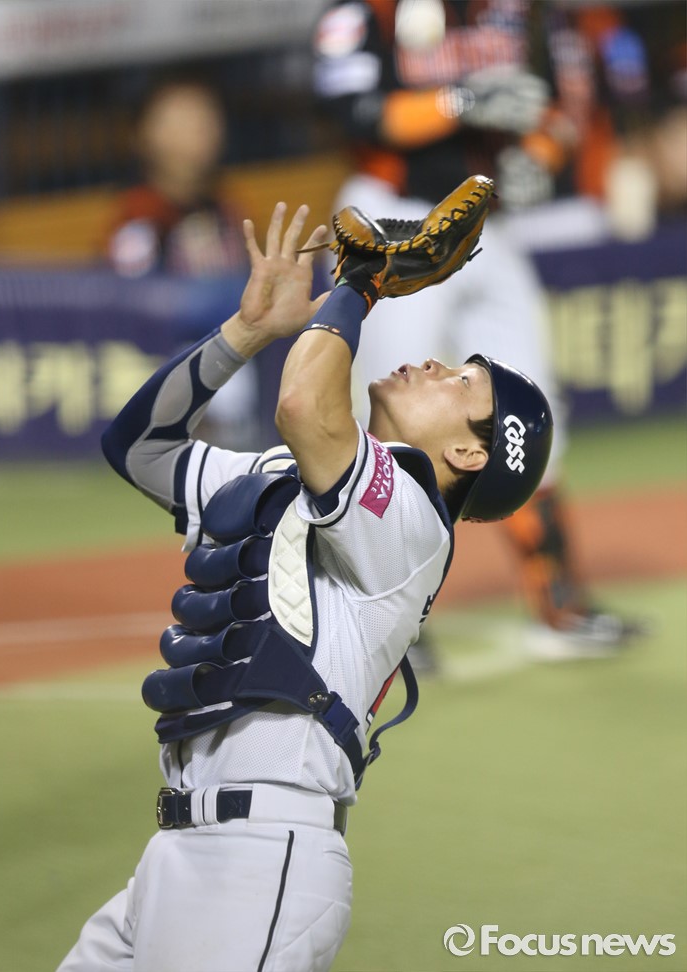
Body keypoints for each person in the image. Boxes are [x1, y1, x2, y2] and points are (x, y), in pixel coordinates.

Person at [58, 193, 552, 972]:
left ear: (468, 455)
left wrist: (362, 283)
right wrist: (244, 333)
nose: (433, 365)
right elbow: (138, 447)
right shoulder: (287, 471)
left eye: (461, 384)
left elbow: (301, 405)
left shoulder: (413, 521)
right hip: (178, 856)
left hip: (262, 862)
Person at [312, 0, 643, 659]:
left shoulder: (523, 10)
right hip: (396, 218)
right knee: (394, 421)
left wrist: (539, 155)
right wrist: (459, 101)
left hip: (484, 219)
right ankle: (378, 618)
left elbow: (557, 106)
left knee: (527, 402)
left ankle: (557, 602)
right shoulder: (365, 10)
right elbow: (356, 112)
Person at [107, 72, 256, 449]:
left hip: (236, 370)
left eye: (206, 118)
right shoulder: (140, 216)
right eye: (181, 120)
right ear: (145, 134)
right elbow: (132, 305)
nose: (199, 131)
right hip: (161, 375)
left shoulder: (228, 211)